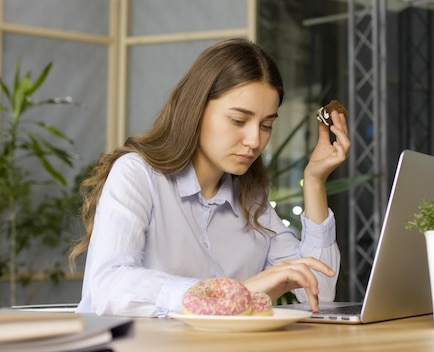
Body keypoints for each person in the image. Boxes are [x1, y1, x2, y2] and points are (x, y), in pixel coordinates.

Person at [68, 38, 351, 318]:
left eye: (266, 125)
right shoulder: (137, 174)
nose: (255, 140)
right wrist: (227, 294)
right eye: (238, 120)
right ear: (196, 109)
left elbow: (321, 293)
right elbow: (109, 285)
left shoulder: (251, 199)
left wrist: (314, 182)